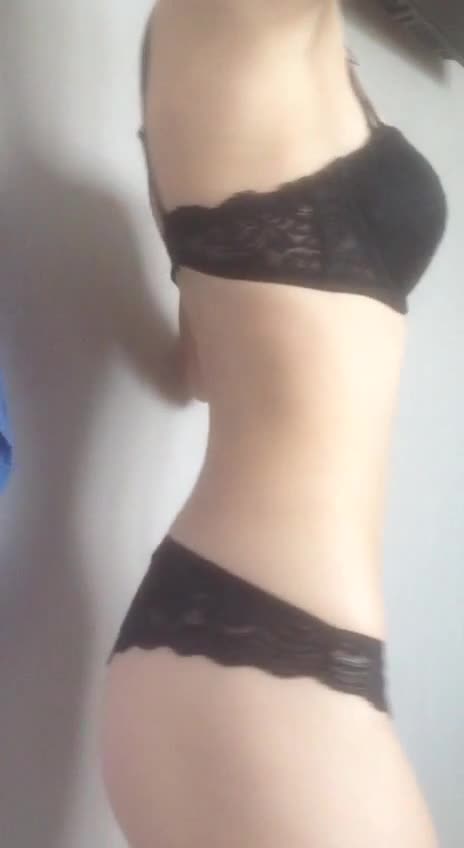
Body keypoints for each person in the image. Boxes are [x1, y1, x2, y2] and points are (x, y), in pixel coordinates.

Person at [100, 2, 447, 845]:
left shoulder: (252, 48)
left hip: (249, 645)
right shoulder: (240, 20)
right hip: (254, 657)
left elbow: (198, 370)